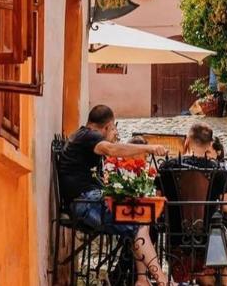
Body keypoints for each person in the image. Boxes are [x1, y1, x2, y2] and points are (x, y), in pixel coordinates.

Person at [58, 104, 171, 286]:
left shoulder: (81, 136)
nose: (114, 133)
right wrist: (149, 149)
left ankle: (142, 279)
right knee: (139, 223)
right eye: (113, 129)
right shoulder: (90, 136)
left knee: (141, 219)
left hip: (86, 200)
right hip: (86, 203)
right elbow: (111, 149)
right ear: (108, 126)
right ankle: (162, 281)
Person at [156, 123, 227, 285]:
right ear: (210, 144)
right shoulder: (218, 170)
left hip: (175, 242)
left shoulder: (166, 167)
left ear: (187, 140)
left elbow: (159, 204)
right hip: (209, 243)